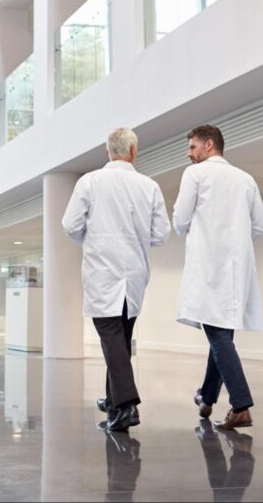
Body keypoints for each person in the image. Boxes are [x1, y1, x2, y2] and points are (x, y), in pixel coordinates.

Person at [62, 127, 170, 433]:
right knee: (120, 339)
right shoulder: (149, 186)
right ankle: (113, 401)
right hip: (134, 275)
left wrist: (93, 240)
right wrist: (136, 240)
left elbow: (70, 224)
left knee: (111, 338)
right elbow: (161, 234)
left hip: (102, 272)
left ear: (107, 151)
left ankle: (126, 406)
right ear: (134, 151)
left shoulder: (90, 181)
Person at [173, 125, 263, 431]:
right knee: (221, 334)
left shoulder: (195, 175)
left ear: (209, 145)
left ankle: (241, 406)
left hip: (208, 265)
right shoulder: (246, 179)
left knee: (217, 334)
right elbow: (259, 226)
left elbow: (180, 220)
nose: (189, 153)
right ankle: (207, 396)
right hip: (236, 268)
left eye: (192, 147)